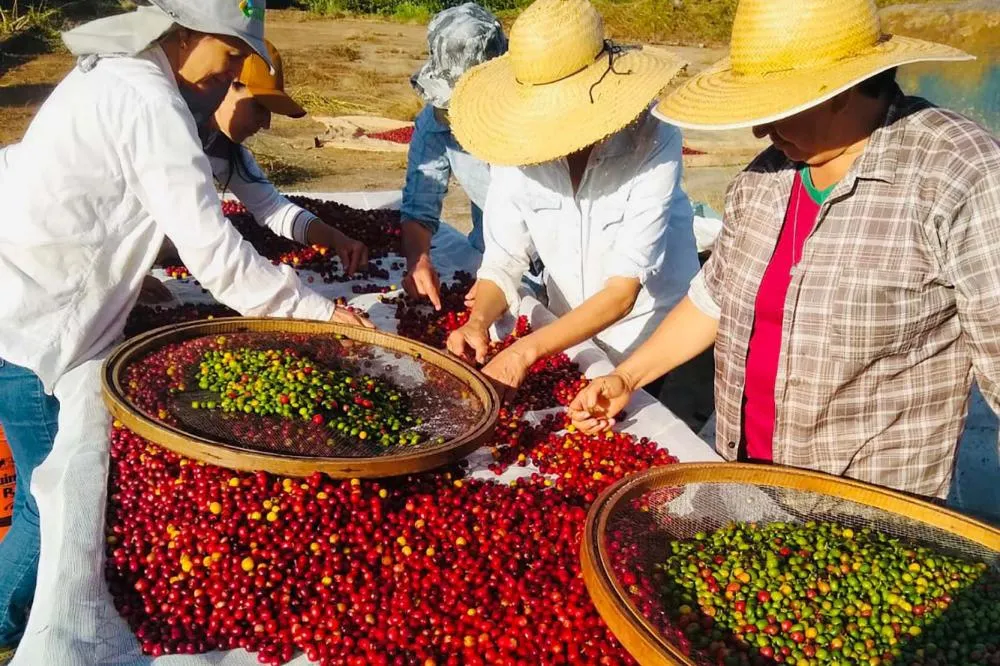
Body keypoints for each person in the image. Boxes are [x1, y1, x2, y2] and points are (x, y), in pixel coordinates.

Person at [0, 1, 370, 663]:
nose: (229, 73)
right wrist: (313, 313)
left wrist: (128, 272)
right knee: (47, 503)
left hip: (32, 289)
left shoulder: (124, 79)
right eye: (229, 55)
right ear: (187, 34)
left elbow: (97, 202)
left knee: (55, 490)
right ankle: (9, 627)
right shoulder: (150, 102)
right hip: (33, 319)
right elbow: (213, 250)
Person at [569, 0, 999, 502]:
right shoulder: (764, 179)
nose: (759, 130)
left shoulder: (960, 174)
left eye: (777, 108)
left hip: (869, 506)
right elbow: (714, 300)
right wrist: (627, 376)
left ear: (842, 90)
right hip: (743, 470)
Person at [444, 0, 700, 402]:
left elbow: (622, 291)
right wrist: (478, 322)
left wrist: (523, 352)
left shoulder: (653, 137)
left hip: (649, 334)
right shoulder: (518, 146)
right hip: (568, 335)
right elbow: (503, 260)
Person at [145, 38, 370, 303]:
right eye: (259, 108)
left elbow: (272, 208)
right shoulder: (164, 130)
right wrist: (127, 276)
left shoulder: (223, 147)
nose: (265, 124)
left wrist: (335, 238)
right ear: (225, 82)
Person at [400, 2, 507, 310]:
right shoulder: (436, 121)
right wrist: (418, 260)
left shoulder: (540, 119)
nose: (458, 114)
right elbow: (419, 207)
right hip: (490, 255)